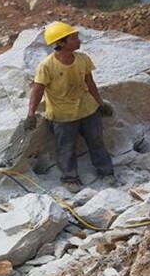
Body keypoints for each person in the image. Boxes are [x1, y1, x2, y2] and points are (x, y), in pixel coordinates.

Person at [24, 21, 115, 193]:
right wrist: (31, 114)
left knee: (96, 141)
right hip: (62, 116)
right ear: (61, 43)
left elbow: (90, 82)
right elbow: (37, 91)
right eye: (74, 38)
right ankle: (70, 177)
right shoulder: (46, 66)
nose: (78, 40)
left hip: (87, 110)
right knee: (66, 147)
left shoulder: (83, 59)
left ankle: (106, 172)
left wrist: (100, 104)